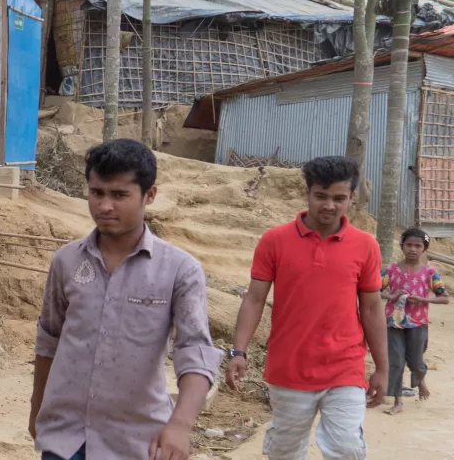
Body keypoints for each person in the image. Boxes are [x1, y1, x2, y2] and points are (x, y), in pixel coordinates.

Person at [29, 139, 221, 460]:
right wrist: (38, 408)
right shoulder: (66, 261)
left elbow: (195, 352)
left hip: (136, 441)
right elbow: (49, 340)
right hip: (66, 438)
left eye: (119, 195)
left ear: (150, 195)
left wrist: (180, 425)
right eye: (97, 192)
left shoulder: (180, 270)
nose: (105, 206)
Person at [225, 155, 387, 460]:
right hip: (289, 368)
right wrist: (239, 352)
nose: (329, 205)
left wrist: (382, 367)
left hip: (345, 367)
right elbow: (254, 299)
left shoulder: (366, 246)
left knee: (347, 448)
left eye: (339, 198)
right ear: (307, 193)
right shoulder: (275, 240)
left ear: (352, 197)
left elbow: (371, 309)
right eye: (320, 196)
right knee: (285, 451)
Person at [381, 228, 447, 415]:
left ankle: (420, 380)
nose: (412, 249)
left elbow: (444, 297)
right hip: (394, 322)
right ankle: (398, 401)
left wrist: (423, 299)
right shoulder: (391, 269)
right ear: (402, 245)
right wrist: (392, 296)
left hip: (418, 323)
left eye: (417, 246)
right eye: (409, 245)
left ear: (425, 248)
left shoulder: (430, 272)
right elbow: (374, 289)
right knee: (395, 361)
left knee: (416, 362)